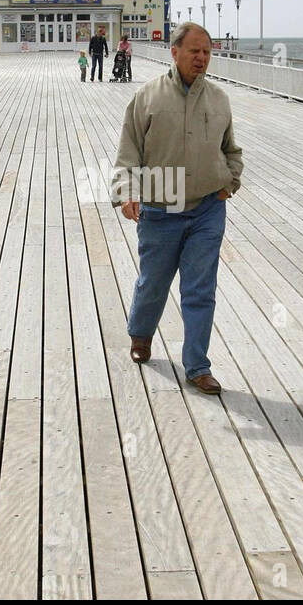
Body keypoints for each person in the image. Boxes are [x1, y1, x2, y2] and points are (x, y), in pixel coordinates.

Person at [112, 22, 243, 396]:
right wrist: (127, 191)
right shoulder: (147, 97)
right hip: (160, 204)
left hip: (207, 207)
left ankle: (198, 366)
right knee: (153, 281)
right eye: (194, 51)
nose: (202, 58)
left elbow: (232, 150)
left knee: (200, 288)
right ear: (174, 52)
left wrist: (228, 183)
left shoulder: (218, 99)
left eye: (207, 51)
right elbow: (128, 152)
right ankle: (141, 334)